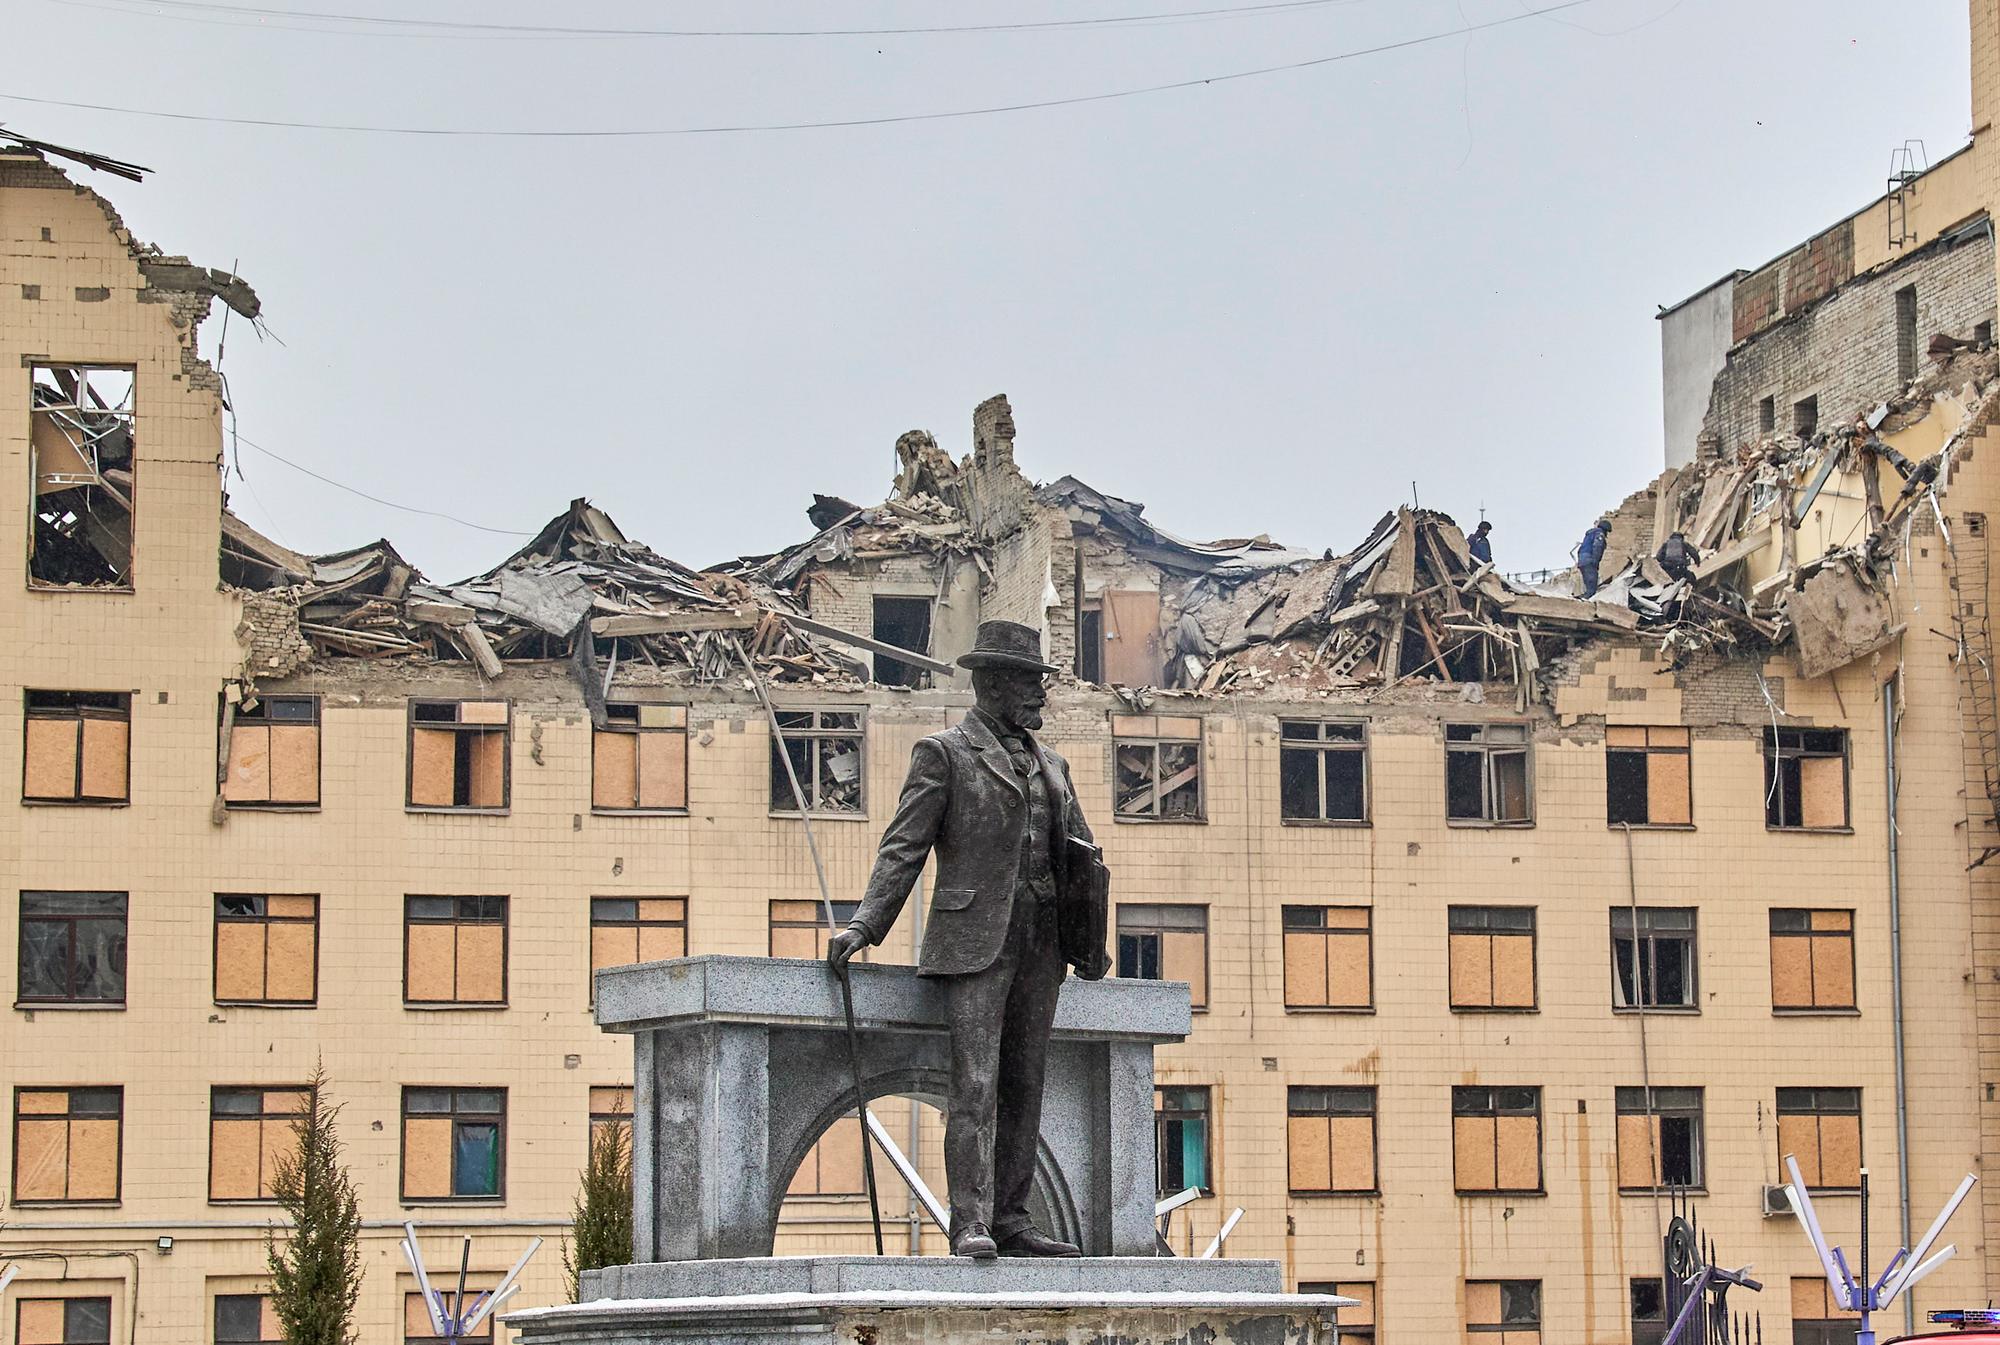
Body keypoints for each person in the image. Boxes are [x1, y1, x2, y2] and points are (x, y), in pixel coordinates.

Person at [828, 620, 1107, 1260]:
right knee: (974, 1086)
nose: (1040, 695)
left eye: (1040, 682)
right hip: (975, 939)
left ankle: (1012, 1218)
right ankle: (971, 1222)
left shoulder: (1054, 764)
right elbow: (905, 847)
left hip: (1043, 943)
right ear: (991, 684)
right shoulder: (945, 753)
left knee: (1024, 1085)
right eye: (1028, 683)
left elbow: (1082, 856)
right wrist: (867, 923)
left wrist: (1088, 939)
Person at [1577, 517, 1612, 598]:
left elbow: (1580, 549)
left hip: (1582, 560)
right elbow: (1597, 547)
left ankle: (1584, 597)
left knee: (1588, 583)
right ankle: (1588, 602)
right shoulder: (1599, 534)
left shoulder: (1590, 534)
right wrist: (1595, 561)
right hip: (1589, 560)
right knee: (1592, 586)